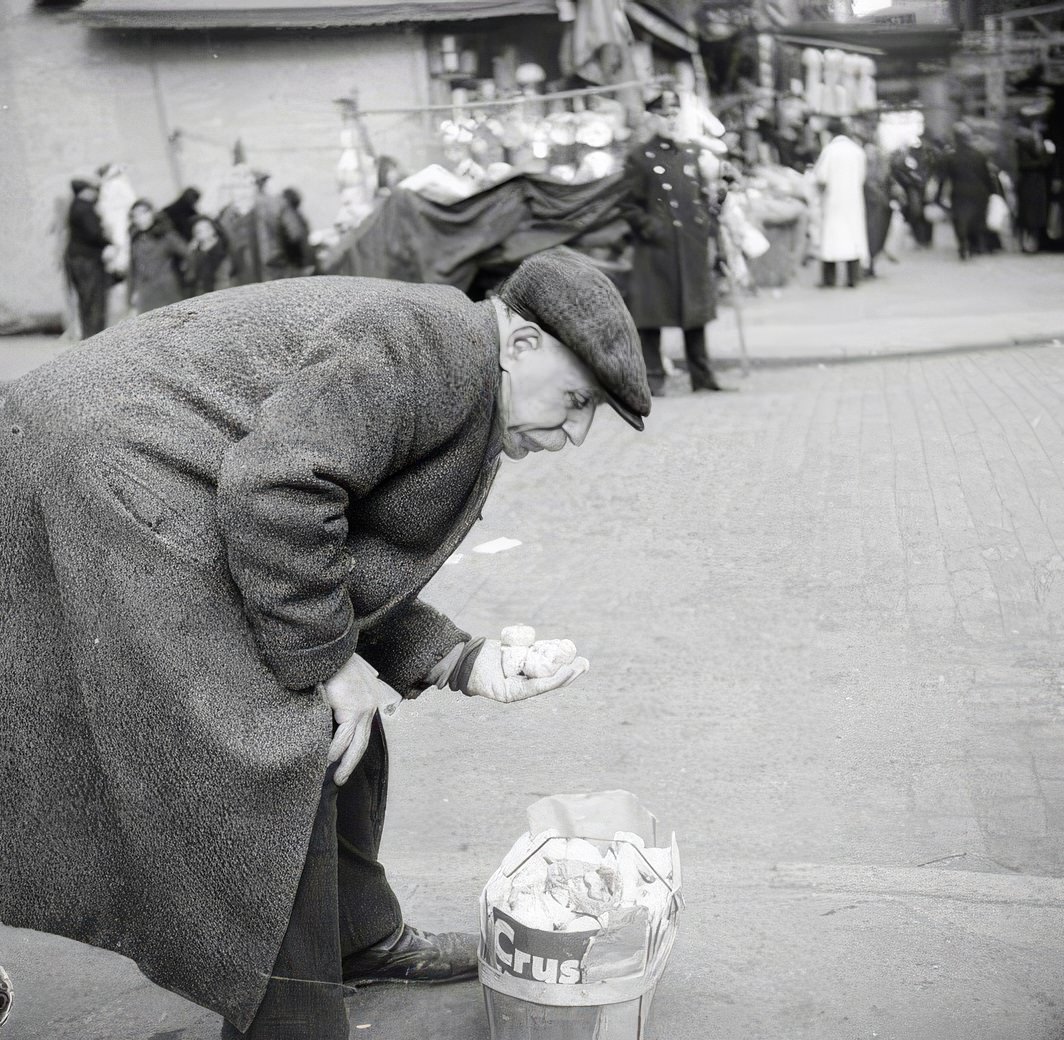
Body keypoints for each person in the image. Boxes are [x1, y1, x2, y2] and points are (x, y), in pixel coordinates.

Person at [0, 247, 650, 1040]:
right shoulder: (430, 346)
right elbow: (278, 494)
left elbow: (335, 539)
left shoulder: (460, 365)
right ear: (521, 344)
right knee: (277, 741)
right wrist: (330, 663)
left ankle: (354, 939)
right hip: (111, 471)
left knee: (340, 715)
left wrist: (460, 659)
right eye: (577, 399)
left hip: (157, 470)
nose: (577, 431)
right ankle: (290, 1020)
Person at [620, 87, 725, 396]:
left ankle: (702, 377)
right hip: (656, 249)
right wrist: (652, 228)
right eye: (663, 115)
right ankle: (653, 380)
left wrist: (709, 215)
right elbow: (627, 205)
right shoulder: (639, 158)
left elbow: (700, 197)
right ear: (651, 118)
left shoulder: (690, 153)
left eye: (674, 114)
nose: (670, 120)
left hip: (689, 246)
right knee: (651, 315)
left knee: (695, 312)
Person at [813, 117, 869, 288]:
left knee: (832, 240)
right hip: (854, 201)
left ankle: (829, 280)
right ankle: (853, 279)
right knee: (853, 237)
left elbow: (821, 177)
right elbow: (862, 177)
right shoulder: (857, 151)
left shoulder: (829, 151)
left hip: (833, 201)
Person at [937, 121, 995, 261]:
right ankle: (975, 246)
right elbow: (986, 176)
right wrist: (993, 192)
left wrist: (937, 196)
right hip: (979, 193)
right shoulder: (979, 155)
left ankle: (963, 245)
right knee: (976, 219)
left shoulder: (950, 157)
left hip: (959, 192)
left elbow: (943, 178)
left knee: (960, 220)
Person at [64, 175, 113, 338]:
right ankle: (95, 336)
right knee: (94, 299)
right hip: (88, 260)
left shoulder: (74, 206)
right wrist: (109, 242)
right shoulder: (85, 208)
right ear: (85, 192)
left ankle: (88, 335)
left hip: (76, 258)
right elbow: (94, 233)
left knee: (85, 300)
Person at [128, 198, 189, 313]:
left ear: (152, 213)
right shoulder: (136, 240)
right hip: (147, 294)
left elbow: (188, 255)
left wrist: (184, 276)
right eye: (135, 216)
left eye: (144, 213)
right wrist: (133, 292)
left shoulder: (166, 235)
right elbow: (134, 270)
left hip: (168, 290)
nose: (140, 218)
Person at [185, 215, 231, 296]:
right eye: (197, 232)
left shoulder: (224, 251)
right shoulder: (197, 254)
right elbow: (190, 277)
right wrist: (191, 254)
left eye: (206, 229)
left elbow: (223, 281)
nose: (201, 234)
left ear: (213, 230)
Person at [279, 187, 315, 276]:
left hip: (301, 262)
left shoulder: (293, 215)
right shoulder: (291, 215)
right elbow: (296, 237)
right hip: (300, 264)